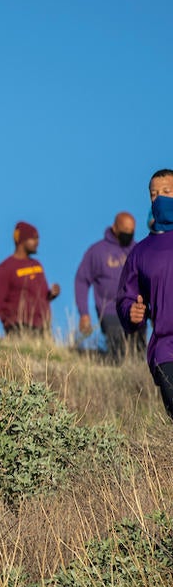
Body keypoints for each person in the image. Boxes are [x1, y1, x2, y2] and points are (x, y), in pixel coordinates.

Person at [118, 169, 173, 418]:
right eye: (154, 194)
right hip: (165, 349)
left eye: (167, 192)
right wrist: (131, 311)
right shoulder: (140, 253)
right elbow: (125, 297)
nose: (160, 199)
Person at [74, 212, 146, 362]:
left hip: (136, 310)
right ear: (115, 228)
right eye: (125, 230)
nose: (128, 234)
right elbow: (81, 280)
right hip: (109, 311)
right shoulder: (97, 251)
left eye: (131, 231)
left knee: (138, 354)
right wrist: (84, 314)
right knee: (118, 352)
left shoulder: (139, 250)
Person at [0, 221, 61, 336]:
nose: (37, 242)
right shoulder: (4, 269)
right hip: (18, 329)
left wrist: (51, 294)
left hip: (43, 329)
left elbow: (40, 295)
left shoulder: (37, 265)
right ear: (21, 240)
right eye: (34, 238)